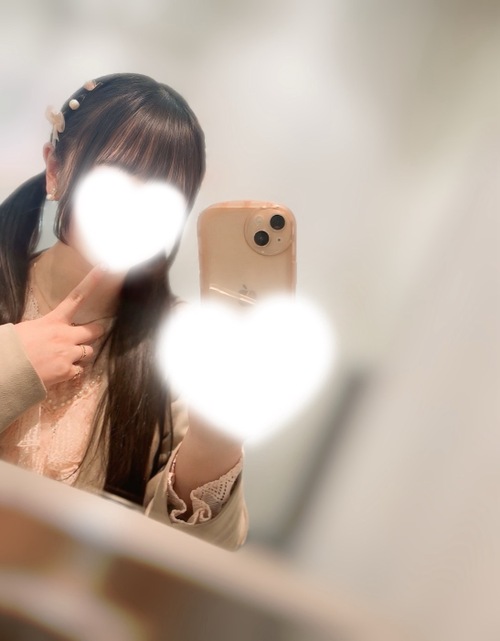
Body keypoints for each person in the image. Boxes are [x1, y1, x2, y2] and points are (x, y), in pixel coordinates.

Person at [0, 73, 248, 551]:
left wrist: (216, 437)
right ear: (55, 169)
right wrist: (14, 364)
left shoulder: (181, 349)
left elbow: (190, 556)